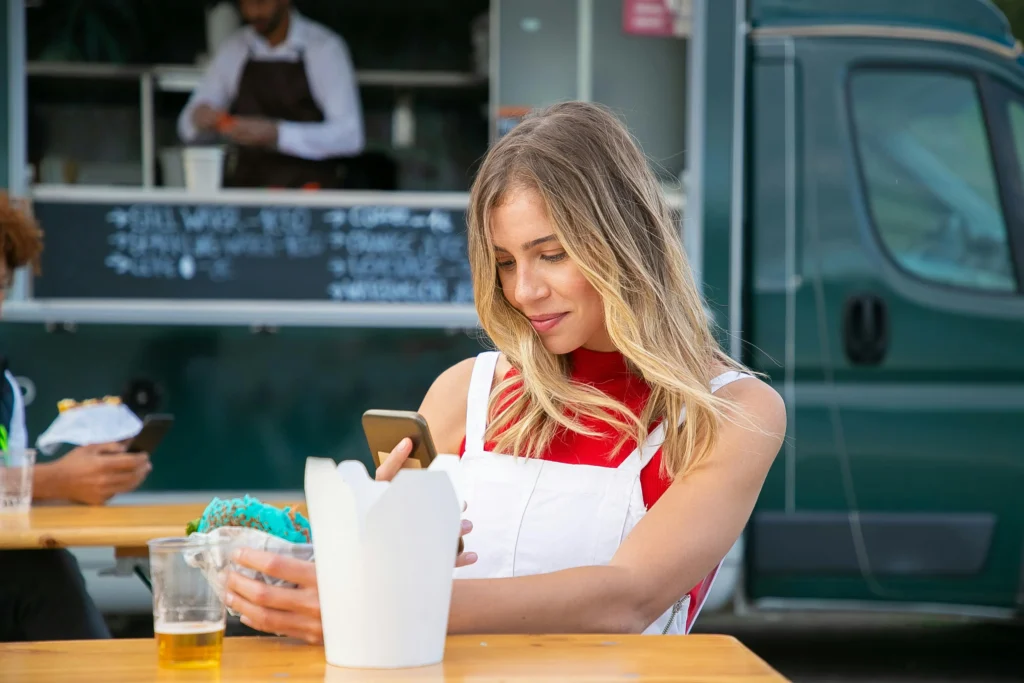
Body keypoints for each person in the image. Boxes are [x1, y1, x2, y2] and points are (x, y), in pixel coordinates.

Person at [222, 102, 786, 642]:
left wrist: (391, 601)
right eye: (505, 262)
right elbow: (374, 569)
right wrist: (370, 544)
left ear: (624, 240)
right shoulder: (464, 390)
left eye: (553, 253)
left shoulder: (731, 411)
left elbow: (626, 599)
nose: (524, 291)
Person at [0, 197, 152, 642]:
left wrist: (90, 474)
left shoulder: (4, 388)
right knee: (41, 572)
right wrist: (56, 481)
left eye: (2, 286)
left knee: (42, 567)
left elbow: (11, 503)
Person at [177, 0, 364, 189]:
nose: (254, 13)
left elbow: (350, 136)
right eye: (246, 4)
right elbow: (186, 126)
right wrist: (199, 117)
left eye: (262, 2)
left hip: (309, 193)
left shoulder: (324, 48)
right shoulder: (234, 48)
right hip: (247, 193)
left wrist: (278, 134)